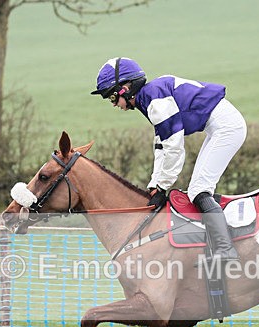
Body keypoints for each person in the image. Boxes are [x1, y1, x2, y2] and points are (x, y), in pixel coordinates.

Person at [91, 57, 247, 263]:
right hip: (219, 126)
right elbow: (160, 145)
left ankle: (225, 249)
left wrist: (163, 185)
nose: (114, 105)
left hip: (227, 127)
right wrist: (155, 184)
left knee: (199, 189)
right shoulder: (149, 98)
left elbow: (174, 148)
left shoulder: (155, 101)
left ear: (126, 88)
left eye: (112, 98)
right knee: (198, 188)